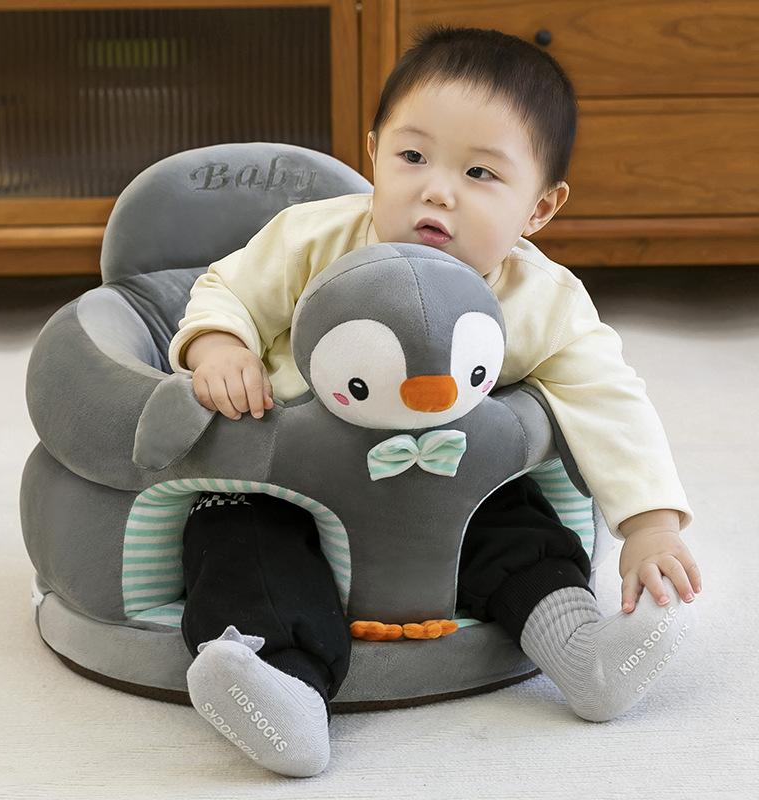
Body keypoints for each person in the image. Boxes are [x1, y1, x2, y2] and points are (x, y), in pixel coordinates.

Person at [168, 25, 702, 777]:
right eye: (412, 157)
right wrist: (221, 345)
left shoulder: (542, 298)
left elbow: (608, 398)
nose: (437, 189)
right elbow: (228, 289)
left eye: (480, 173)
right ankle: (279, 685)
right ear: (374, 153)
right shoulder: (315, 238)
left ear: (540, 208)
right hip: (291, 485)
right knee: (235, 535)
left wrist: (650, 522)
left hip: (446, 494)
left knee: (524, 529)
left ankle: (583, 652)